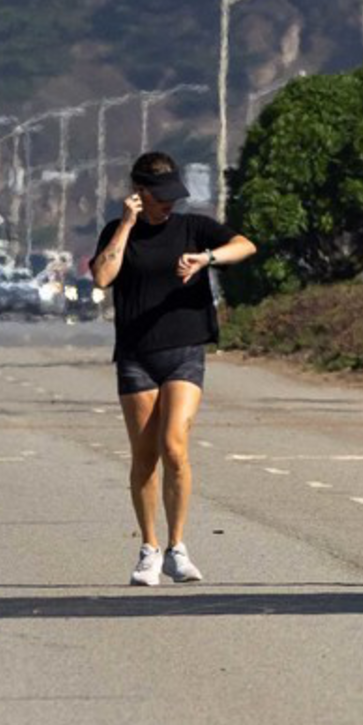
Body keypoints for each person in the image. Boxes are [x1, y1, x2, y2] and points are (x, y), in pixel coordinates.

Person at [90, 150, 257, 583]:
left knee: (174, 446)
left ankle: (178, 547)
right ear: (138, 193)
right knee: (145, 456)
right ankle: (149, 548)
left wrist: (207, 259)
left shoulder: (193, 227)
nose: (169, 204)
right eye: (159, 196)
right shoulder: (118, 230)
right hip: (136, 355)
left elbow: (246, 245)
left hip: (184, 349)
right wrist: (126, 225)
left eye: (172, 196)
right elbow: (102, 277)